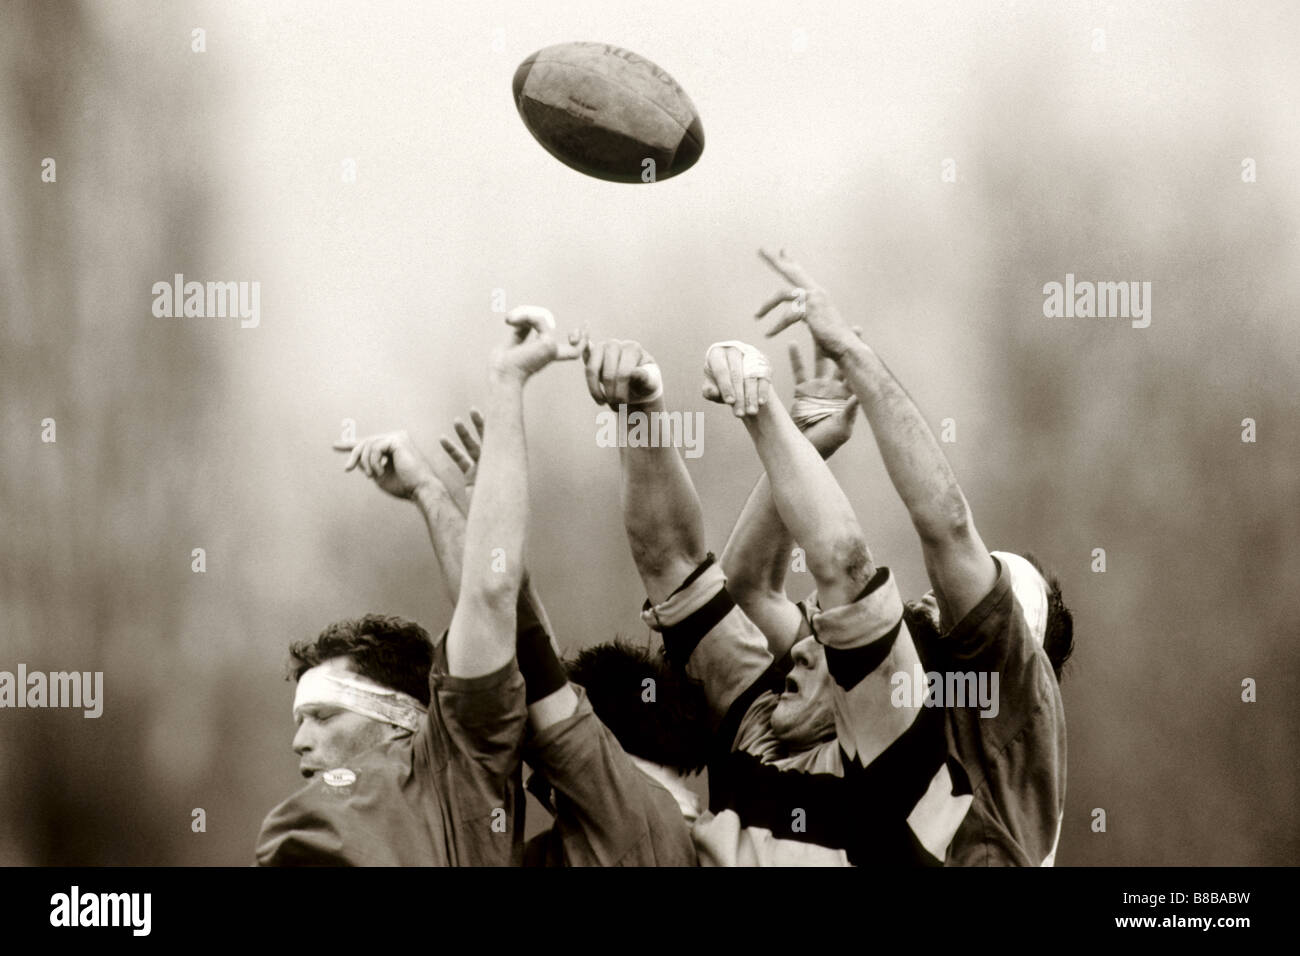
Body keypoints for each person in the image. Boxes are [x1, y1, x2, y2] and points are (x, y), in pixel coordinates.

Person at [588, 335, 960, 865]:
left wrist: (761, 405)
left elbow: (844, 561)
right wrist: (641, 407)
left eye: (826, 643)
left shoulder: (900, 761)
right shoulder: (761, 729)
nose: (800, 649)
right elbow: (671, 563)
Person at [752, 249, 1072, 865]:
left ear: (1013, 653)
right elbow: (756, 596)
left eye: (959, 603)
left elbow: (948, 527)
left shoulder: (1004, 716)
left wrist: (851, 350)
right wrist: (798, 447)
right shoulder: (904, 692)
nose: (931, 600)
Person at [254, 306, 578, 865]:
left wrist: (505, 384)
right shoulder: (300, 828)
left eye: (325, 717)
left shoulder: (462, 767)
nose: (299, 741)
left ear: (406, 720)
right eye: (300, 720)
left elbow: (497, 603)